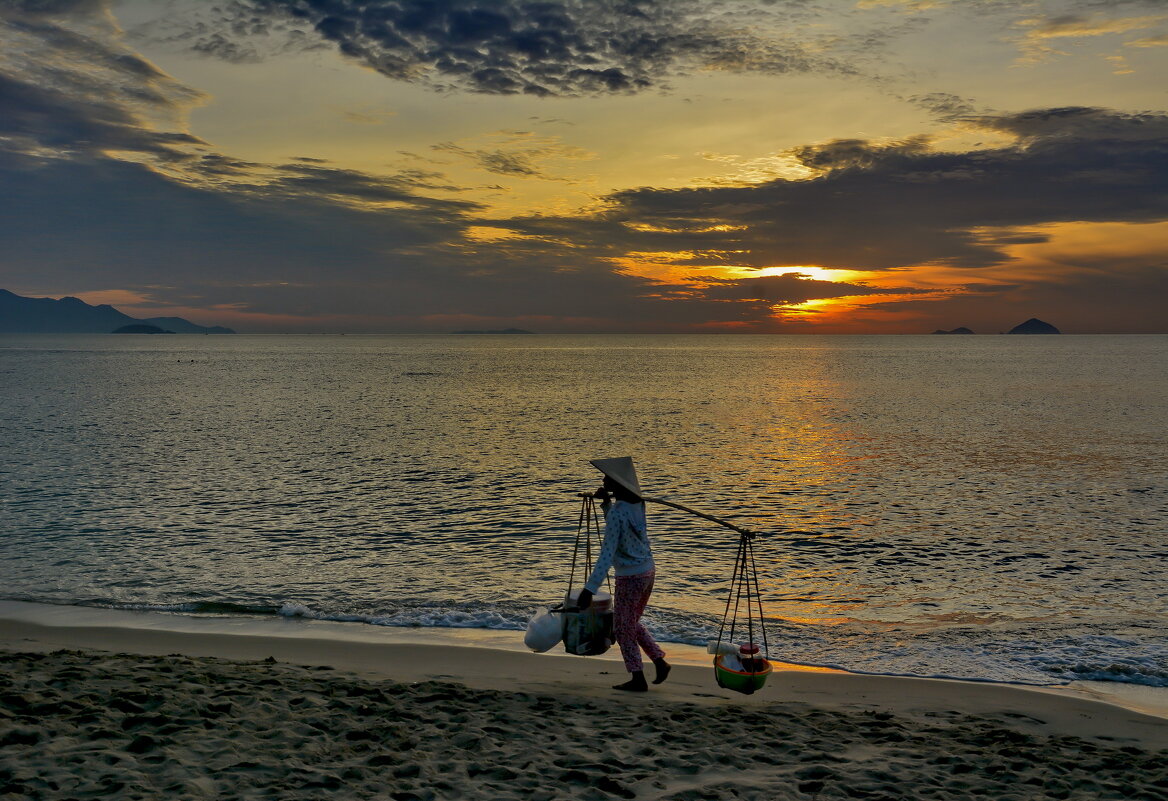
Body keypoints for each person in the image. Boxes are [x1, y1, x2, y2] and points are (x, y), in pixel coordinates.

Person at [576, 457, 670, 692]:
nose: (604, 479)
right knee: (630, 623)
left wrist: (589, 589)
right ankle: (659, 661)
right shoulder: (637, 504)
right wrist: (607, 503)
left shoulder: (620, 511)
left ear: (618, 482)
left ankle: (637, 678)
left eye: (608, 478)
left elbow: (607, 553)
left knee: (621, 628)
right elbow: (620, 529)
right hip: (648, 570)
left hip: (630, 577)